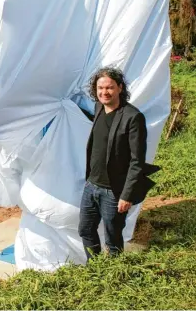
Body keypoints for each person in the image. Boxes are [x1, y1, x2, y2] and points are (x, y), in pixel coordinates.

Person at [78, 66, 156, 260]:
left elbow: (137, 161)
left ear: (120, 88)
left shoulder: (132, 117)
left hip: (114, 191)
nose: (104, 92)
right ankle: (94, 269)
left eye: (110, 87)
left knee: (113, 239)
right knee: (85, 230)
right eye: (100, 88)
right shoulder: (98, 108)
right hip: (91, 186)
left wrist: (126, 195)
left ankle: (113, 276)